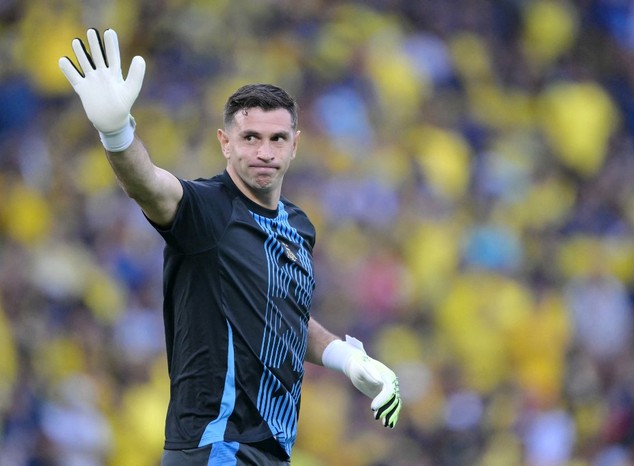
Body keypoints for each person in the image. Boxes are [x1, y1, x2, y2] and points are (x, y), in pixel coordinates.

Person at [58, 28, 401, 465]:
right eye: (250, 137)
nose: (264, 151)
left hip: (268, 452)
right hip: (214, 448)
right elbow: (149, 186)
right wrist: (116, 134)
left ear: (295, 146)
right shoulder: (207, 210)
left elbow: (283, 318)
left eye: (277, 139)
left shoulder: (298, 225)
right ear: (225, 142)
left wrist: (349, 360)